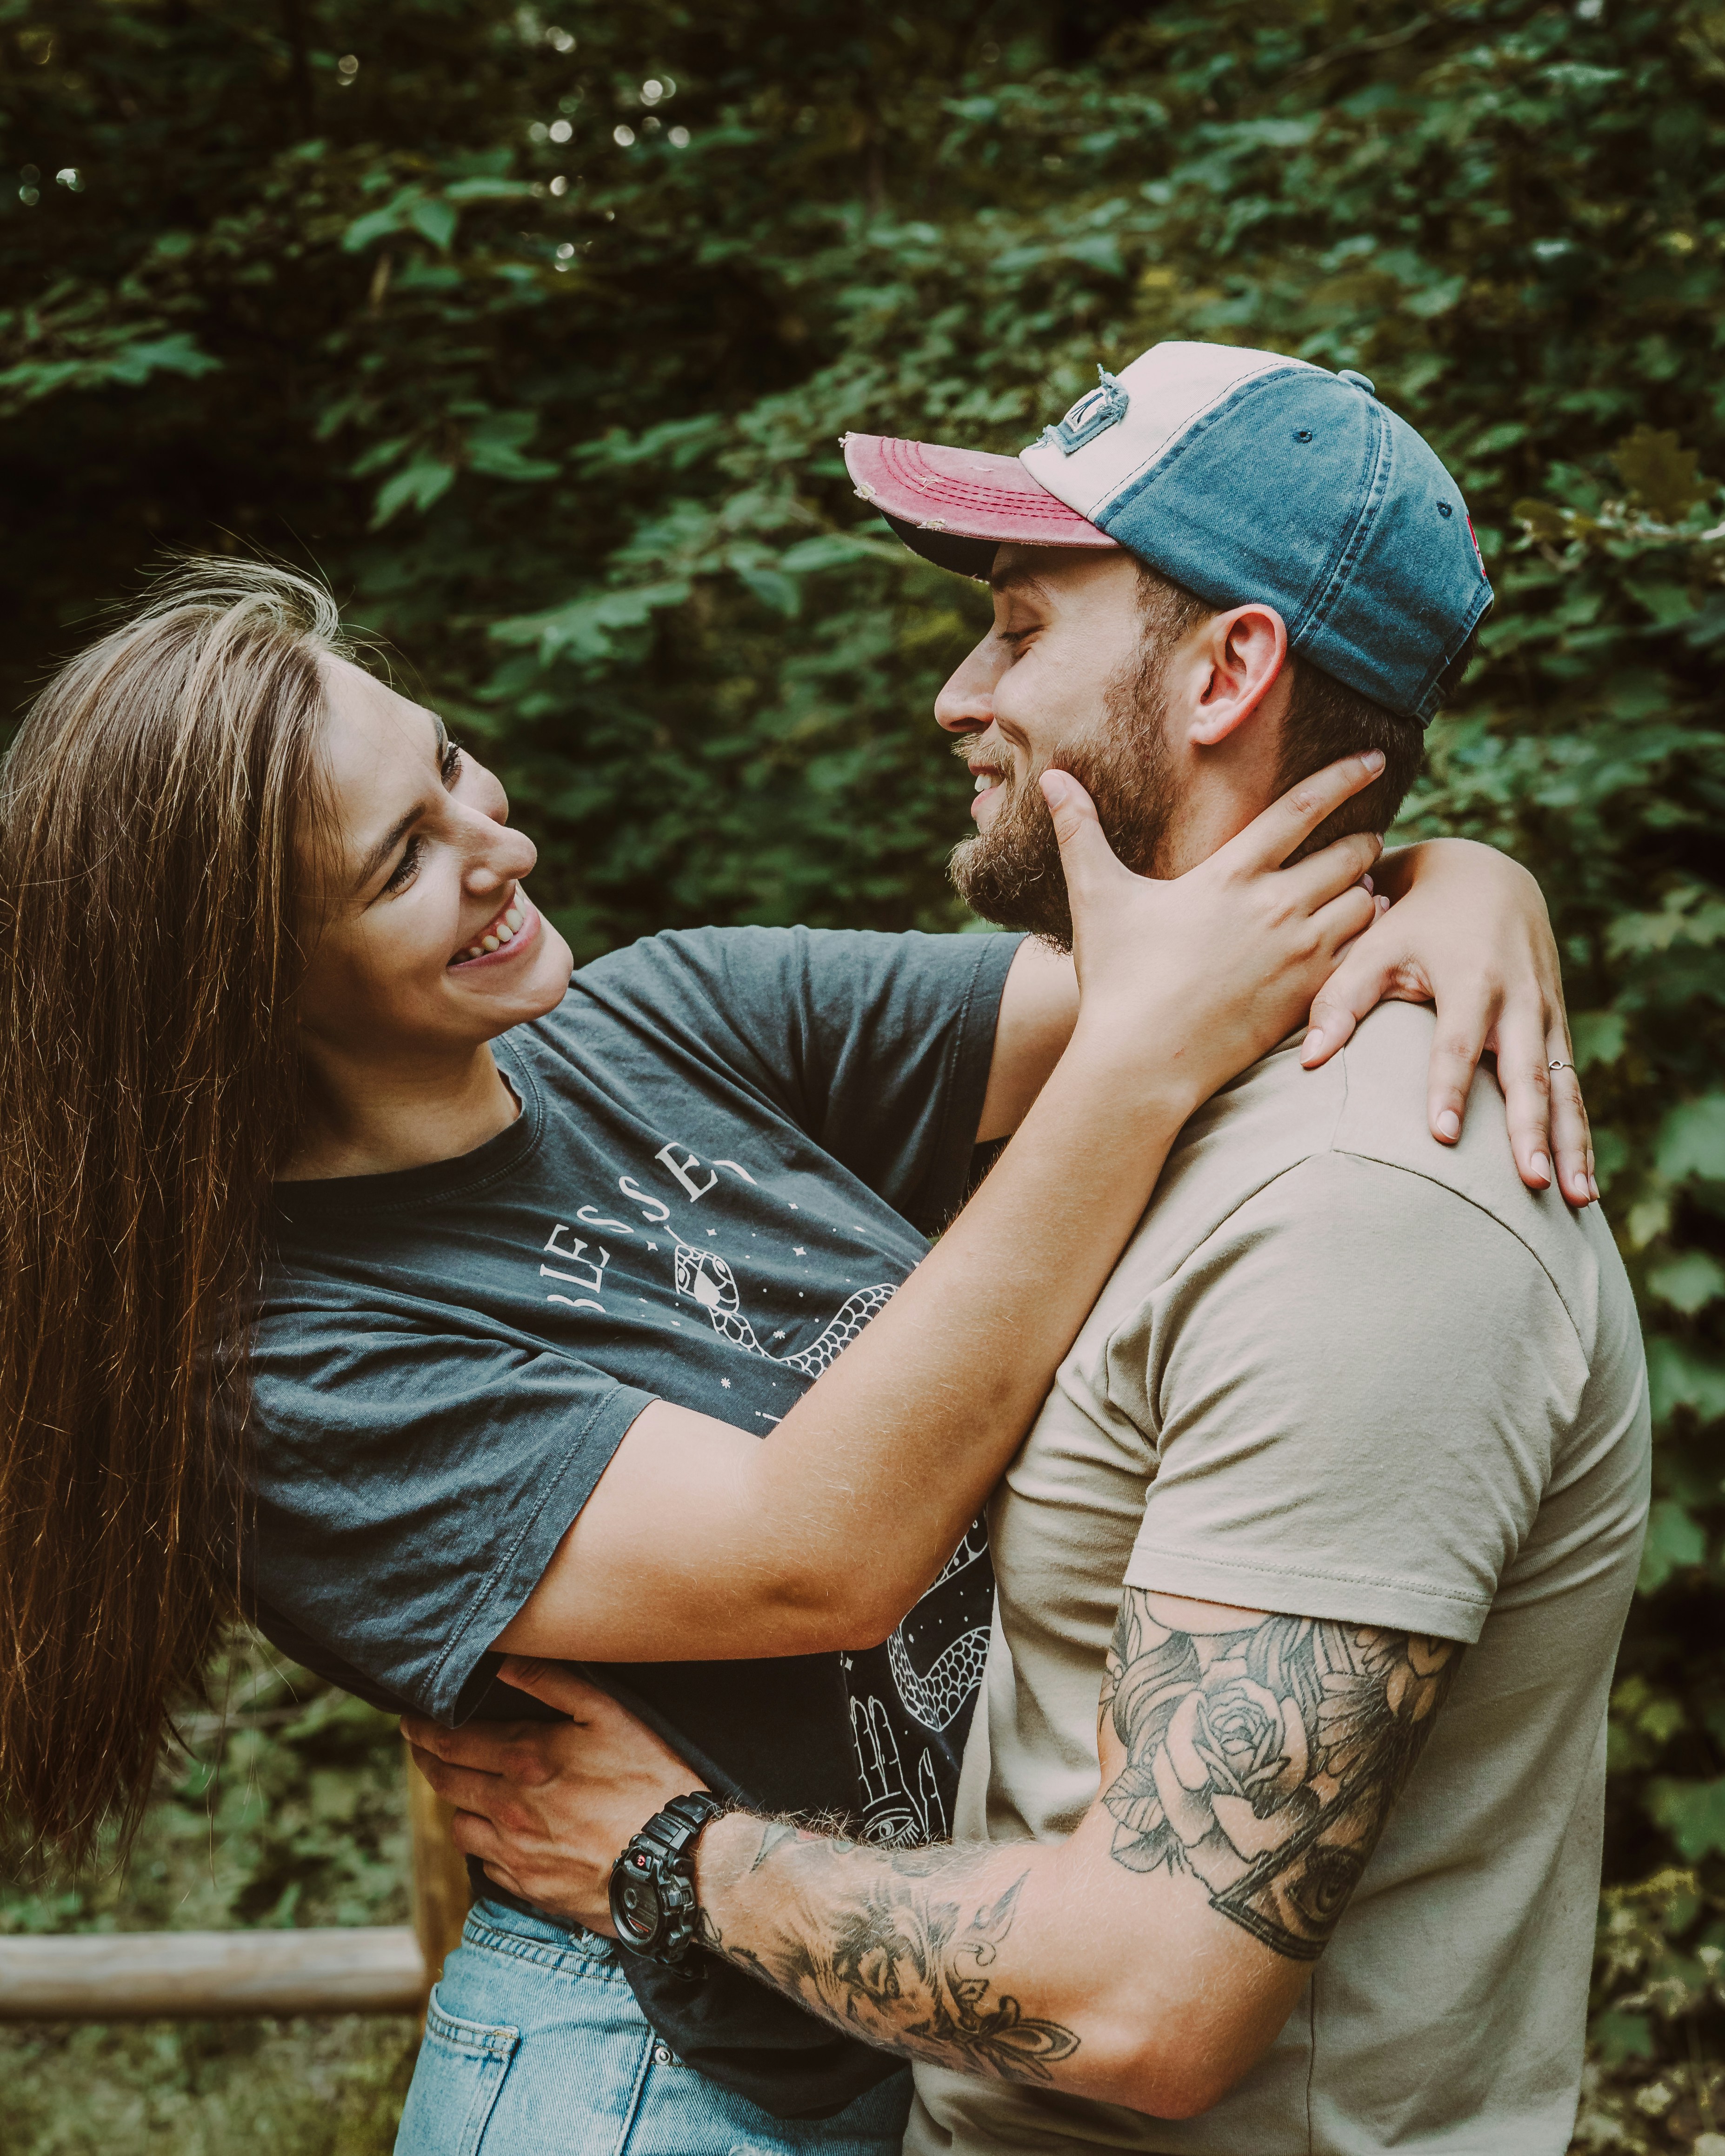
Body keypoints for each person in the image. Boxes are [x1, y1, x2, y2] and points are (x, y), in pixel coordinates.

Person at [0, 366, 1583, 2156]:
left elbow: (1190, 966)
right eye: (400, 865)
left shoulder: (663, 1018)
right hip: (653, 2074)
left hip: (902, 2020)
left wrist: (1455, 876)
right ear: (243, 985)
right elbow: (814, 1553)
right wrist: (1136, 1068)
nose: (500, 845)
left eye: (448, 764)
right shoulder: (289, 1364)